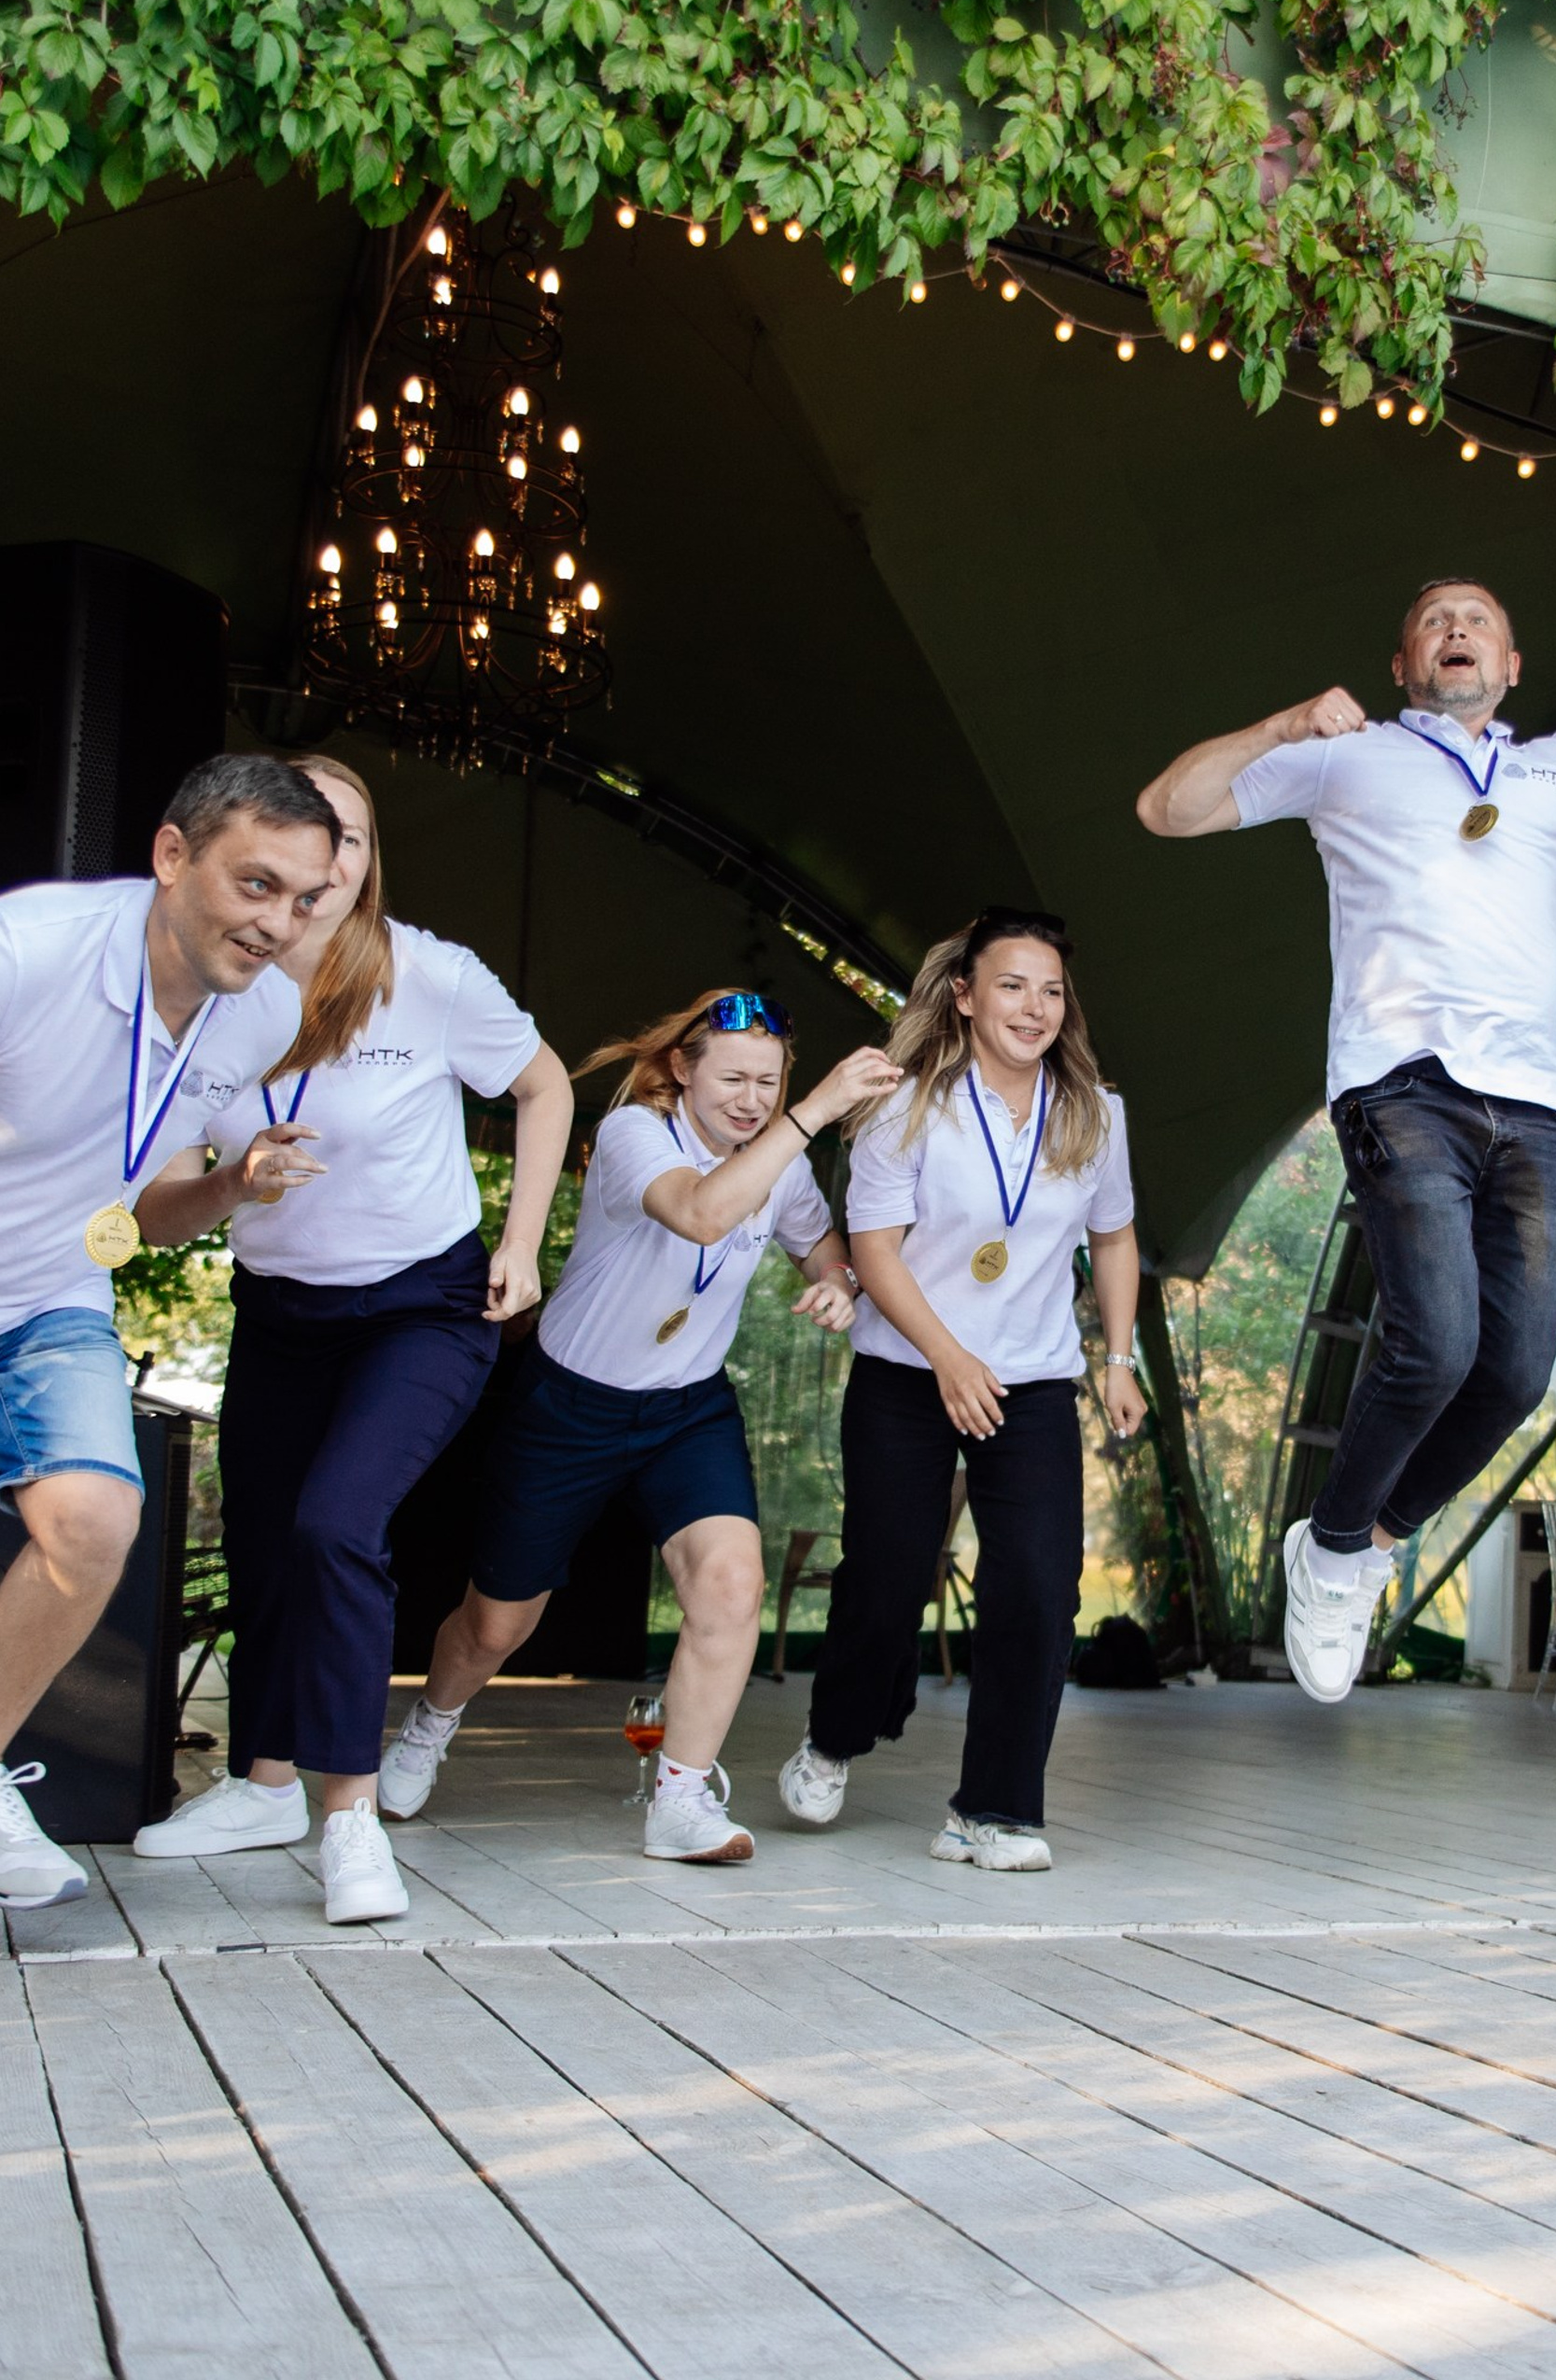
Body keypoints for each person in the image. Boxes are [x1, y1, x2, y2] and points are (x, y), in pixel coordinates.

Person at [1138, 578, 1556, 1702]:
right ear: (1402, 665)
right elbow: (1166, 809)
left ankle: (1366, 1539)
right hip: (1401, 1084)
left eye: (1478, 620)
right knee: (1433, 1341)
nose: (1457, 631)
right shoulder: (1348, 756)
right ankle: (1335, 1548)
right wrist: (1284, 725)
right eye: (1434, 621)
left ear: (1511, 665)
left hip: (1534, 1104)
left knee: (1515, 1369)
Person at [127, 757, 574, 1925]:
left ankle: (349, 1818)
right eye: (307, 838)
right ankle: (264, 1785)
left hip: (424, 1305)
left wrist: (521, 1242)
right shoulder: (209, 990)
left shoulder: (429, 975)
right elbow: (160, 1202)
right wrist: (235, 1182)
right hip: (282, 1312)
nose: (326, 864)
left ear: (366, 866)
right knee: (267, 1544)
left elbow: (545, 1088)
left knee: (335, 1526)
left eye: (352, 840)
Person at [383, 990, 896, 1862]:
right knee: (496, 1626)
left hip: (687, 1409)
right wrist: (812, 1113)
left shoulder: (781, 1162)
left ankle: (681, 1802)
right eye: (733, 1079)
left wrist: (838, 1284)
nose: (753, 1100)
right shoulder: (633, 1134)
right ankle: (430, 1723)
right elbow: (701, 1212)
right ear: (681, 1069)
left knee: (731, 1586)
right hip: (570, 1405)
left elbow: (821, 1246)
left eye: (770, 1083)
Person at [0, 754, 338, 1911]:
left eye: (303, 899)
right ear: (171, 855)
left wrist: (234, 1185)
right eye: (257, 885)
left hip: (52, 1295)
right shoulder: (29, 953)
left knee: (95, 1521)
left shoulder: (265, 1011)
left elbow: (142, 1211)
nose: (278, 923)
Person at [779, 909, 1143, 1872]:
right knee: (885, 1581)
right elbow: (873, 1253)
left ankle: (995, 1810)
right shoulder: (904, 1107)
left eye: (1051, 991)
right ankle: (835, 1736)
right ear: (965, 996)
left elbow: (1113, 1237)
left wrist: (1118, 1361)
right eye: (1012, 985)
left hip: (1031, 1382)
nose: (1034, 1007)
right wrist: (947, 1357)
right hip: (907, 1373)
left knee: (1038, 1589)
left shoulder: (1095, 1114)